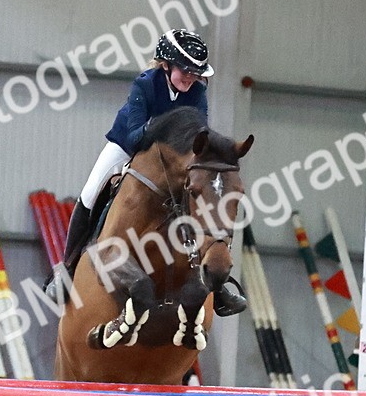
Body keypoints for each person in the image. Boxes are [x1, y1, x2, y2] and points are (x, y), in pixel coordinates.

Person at [57, 29, 245, 316]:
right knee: (90, 193)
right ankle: (67, 269)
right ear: (166, 64)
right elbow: (134, 137)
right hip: (128, 146)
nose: (191, 78)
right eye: (186, 70)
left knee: (203, 197)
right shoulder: (145, 85)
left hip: (171, 159)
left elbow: (200, 136)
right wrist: (162, 125)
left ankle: (218, 288)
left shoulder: (197, 92)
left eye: (196, 73)